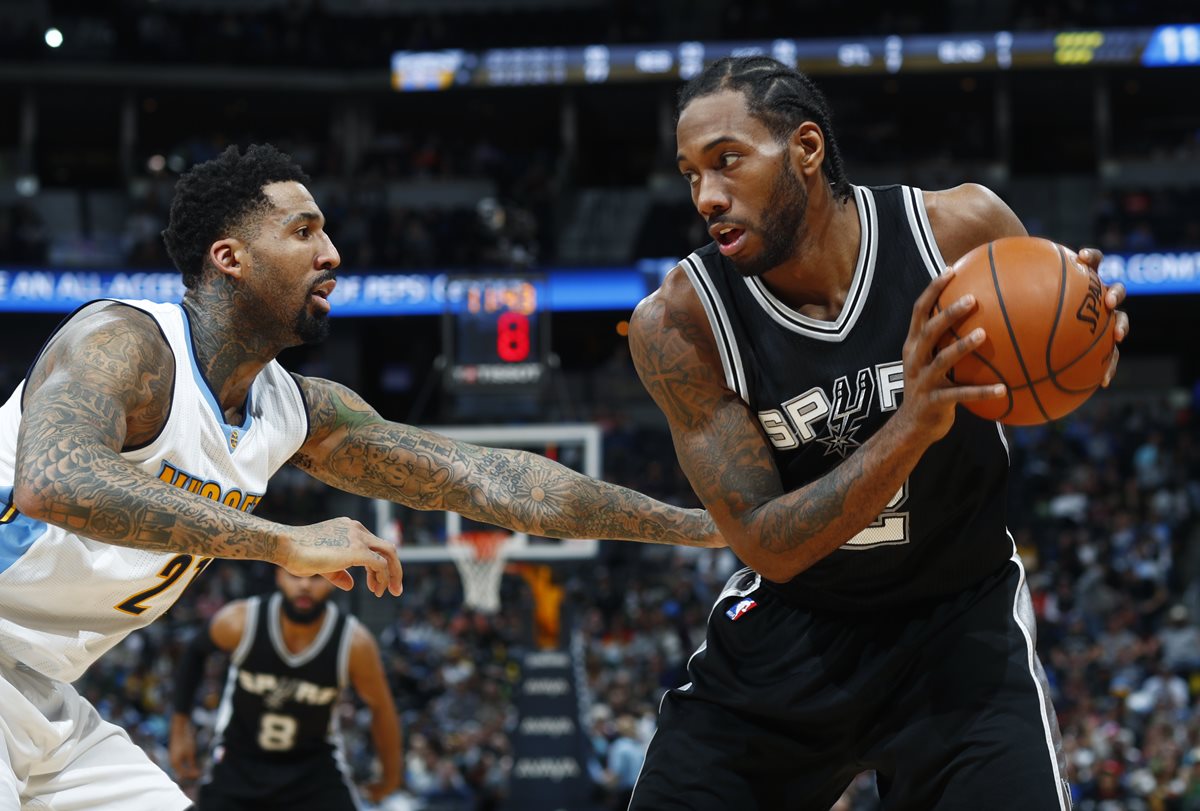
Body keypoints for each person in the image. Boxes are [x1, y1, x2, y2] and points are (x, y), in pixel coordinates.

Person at [0, 143, 721, 811]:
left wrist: (702, 526)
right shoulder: (124, 343)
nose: (333, 254)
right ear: (230, 256)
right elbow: (56, 481)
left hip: (41, 697)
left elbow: (490, 479)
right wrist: (282, 542)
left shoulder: (295, 411)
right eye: (304, 232)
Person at [625, 56, 1130, 810]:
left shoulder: (958, 230)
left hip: (958, 623)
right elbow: (766, 542)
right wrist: (911, 426)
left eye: (727, 161)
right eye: (691, 173)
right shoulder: (680, 323)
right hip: (792, 637)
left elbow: (1032, 381)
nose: (707, 195)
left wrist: (1083, 338)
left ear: (806, 148)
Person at [170, 568, 400, 810]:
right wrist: (179, 728)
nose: (304, 585)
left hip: (313, 770)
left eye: (315, 577)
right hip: (238, 762)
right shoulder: (241, 620)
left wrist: (391, 774)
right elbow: (195, 652)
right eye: (295, 575)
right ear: (279, 575)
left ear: (335, 580)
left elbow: (381, 707)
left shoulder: (354, 643)